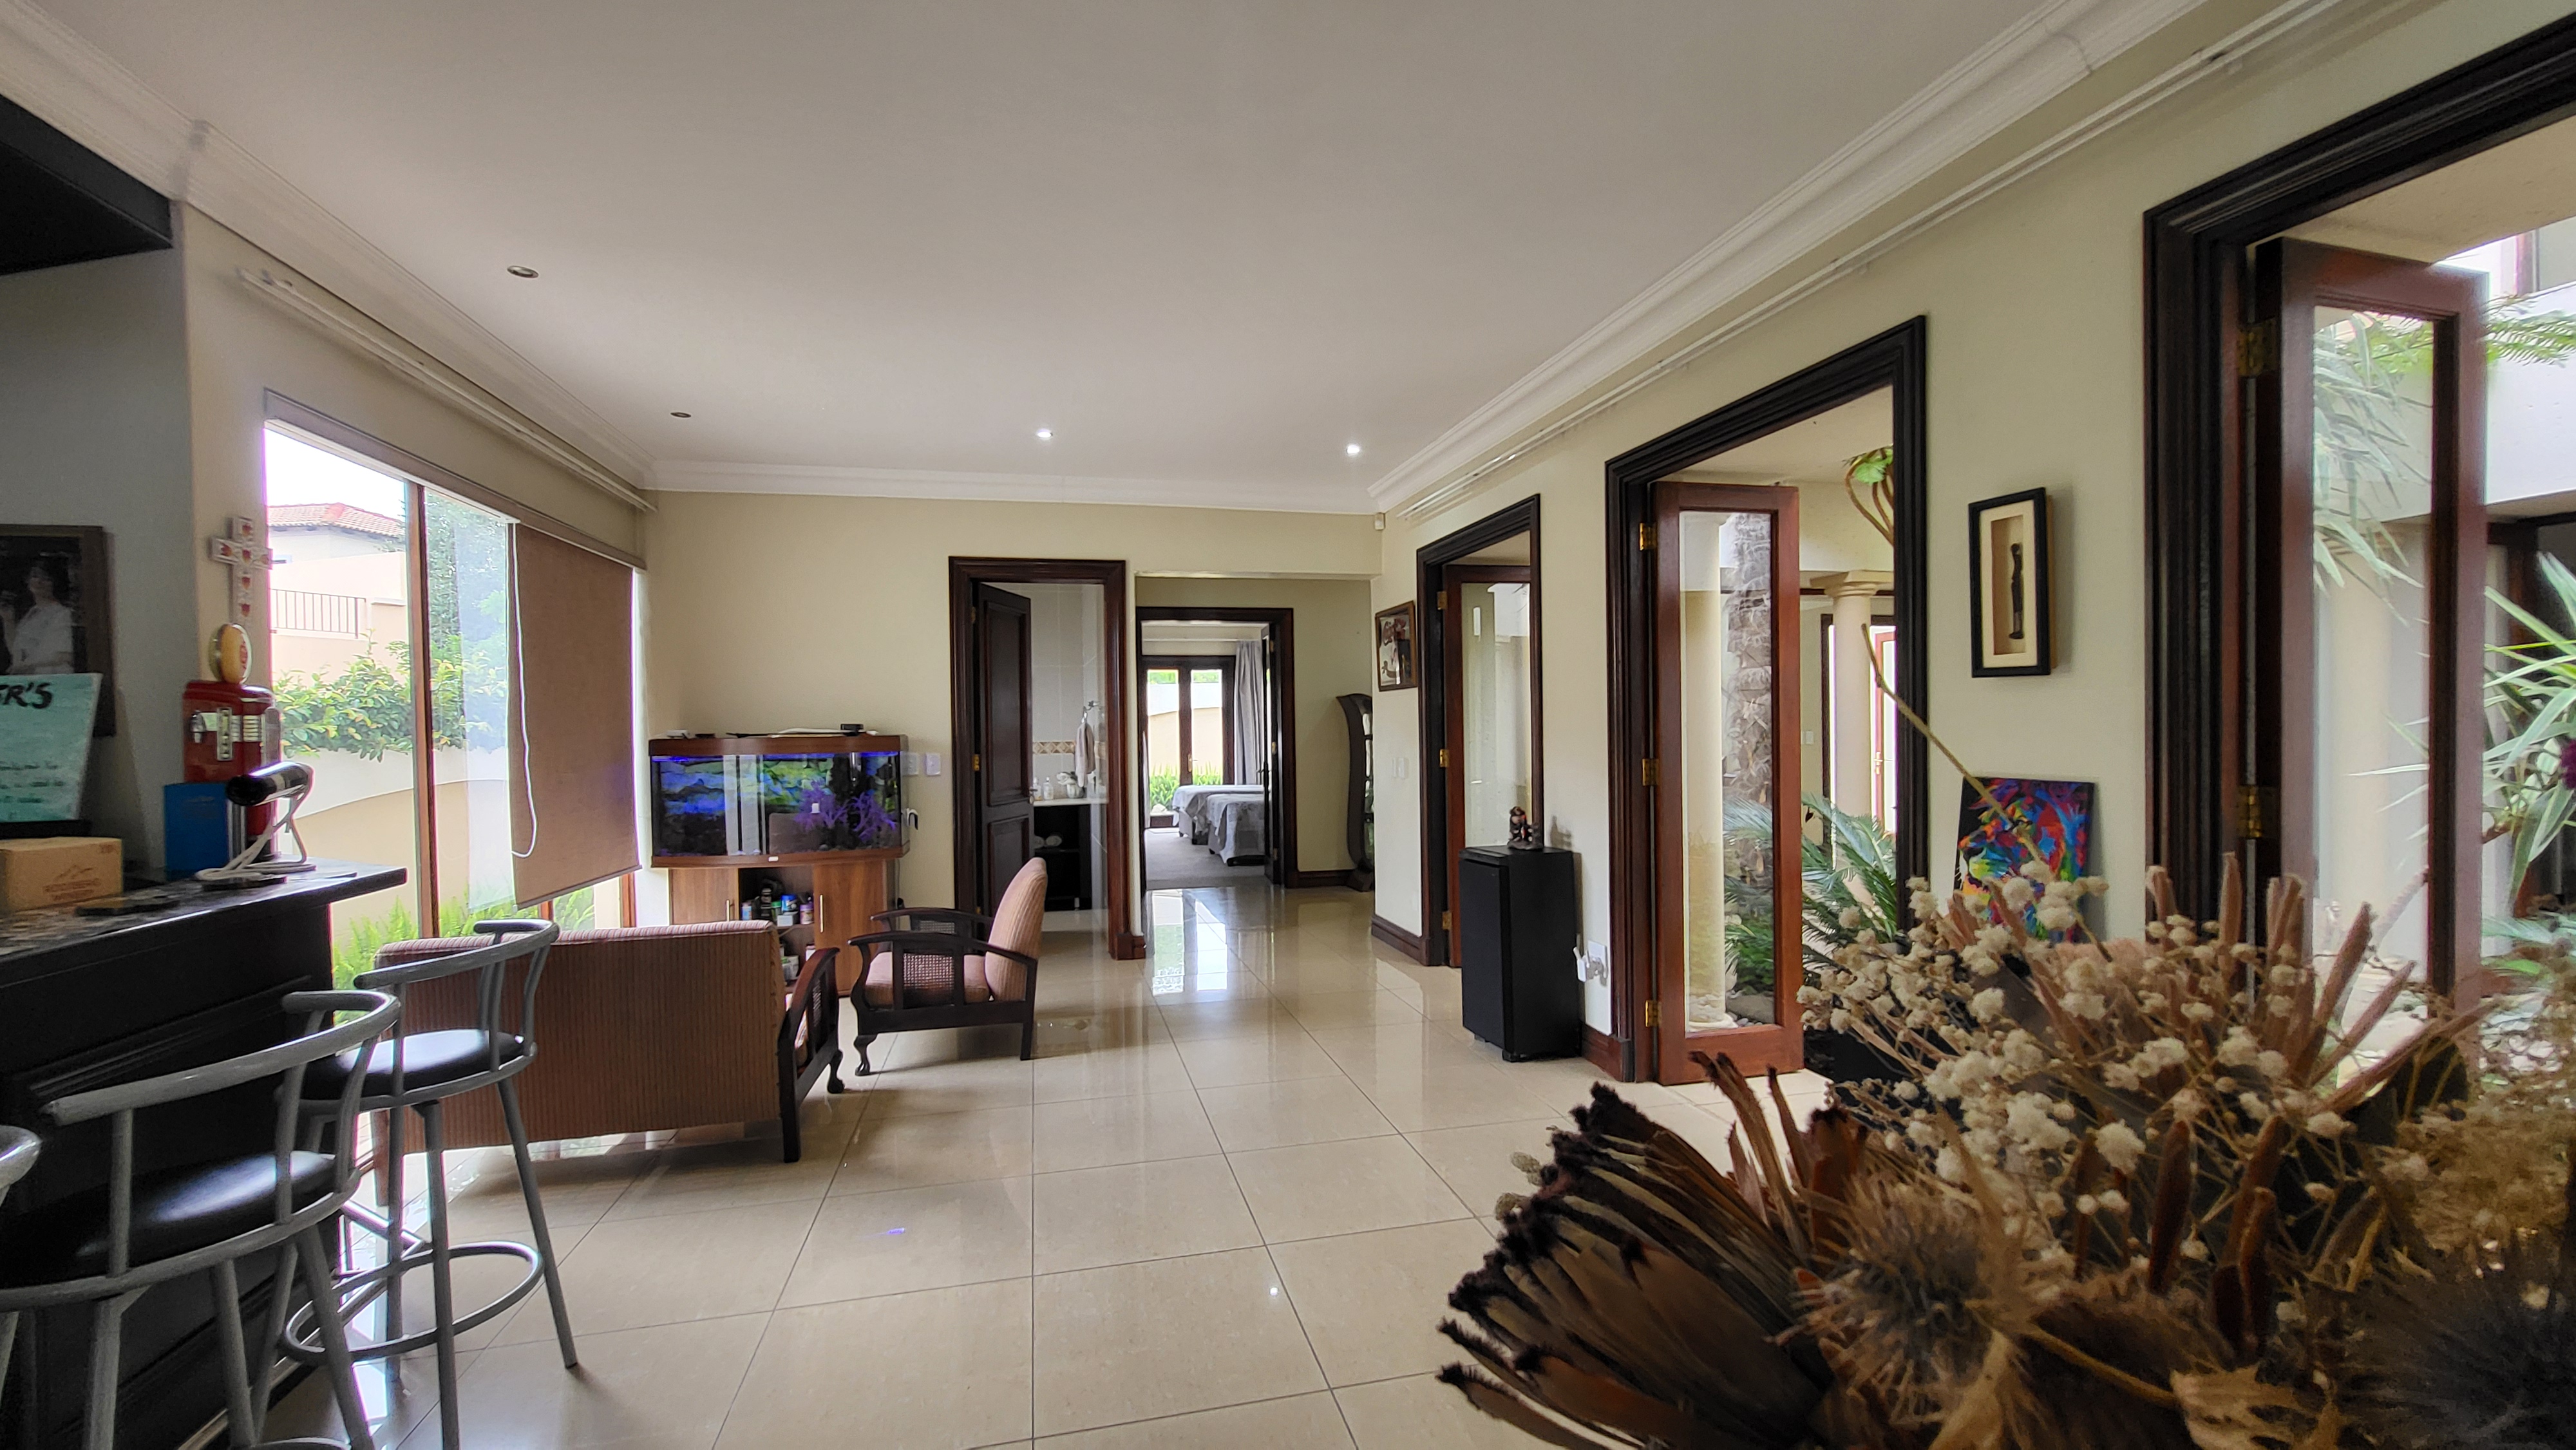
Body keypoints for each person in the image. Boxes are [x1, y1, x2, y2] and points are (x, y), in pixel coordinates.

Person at [3, 556, 79, 673]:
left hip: (52, 677)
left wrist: (27, 665)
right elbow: (18, 651)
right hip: (29, 678)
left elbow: (65, 656)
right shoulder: (32, 613)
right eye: (35, 576)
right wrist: (8, 621)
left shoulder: (62, 614)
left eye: (46, 578)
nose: (39, 582)